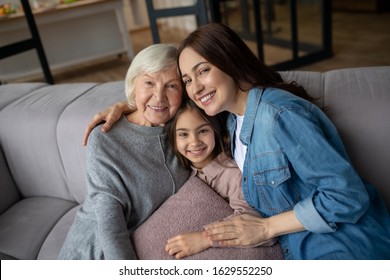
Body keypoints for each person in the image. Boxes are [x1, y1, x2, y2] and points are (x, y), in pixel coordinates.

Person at [82, 23, 390, 260]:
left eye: (203, 71)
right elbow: (178, 118)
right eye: (188, 80)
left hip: (342, 245)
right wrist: (129, 107)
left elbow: (347, 196)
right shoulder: (228, 120)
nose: (195, 88)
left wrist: (266, 228)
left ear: (229, 62)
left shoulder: (278, 114)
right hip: (294, 249)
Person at [58, 44, 188, 259]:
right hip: (95, 254)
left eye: (171, 86)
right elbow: (110, 229)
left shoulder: (186, 132)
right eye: (149, 83)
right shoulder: (105, 138)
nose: (159, 96)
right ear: (133, 84)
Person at [163, 99, 276, 259]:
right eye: (183, 134)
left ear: (215, 130)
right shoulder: (176, 167)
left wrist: (206, 237)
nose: (194, 142)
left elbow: (253, 219)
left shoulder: (233, 173)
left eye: (203, 131)